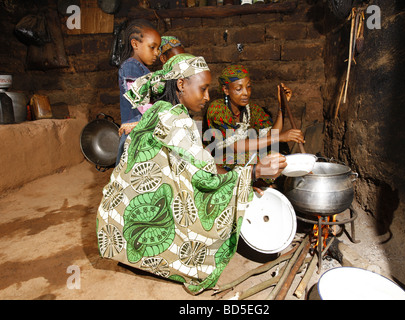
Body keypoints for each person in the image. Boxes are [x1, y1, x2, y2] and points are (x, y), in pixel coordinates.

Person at [96, 53, 287, 294]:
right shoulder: (176, 120)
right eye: (203, 89)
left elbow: (196, 163)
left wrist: (244, 180)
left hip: (119, 218)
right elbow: (204, 179)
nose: (207, 97)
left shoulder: (162, 110)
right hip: (140, 219)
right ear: (181, 84)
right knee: (205, 230)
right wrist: (251, 174)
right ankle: (155, 257)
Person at [205, 64, 305, 187]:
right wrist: (278, 138)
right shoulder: (217, 109)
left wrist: (281, 107)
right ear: (226, 90)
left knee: (276, 152)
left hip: (243, 156)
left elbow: (271, 134)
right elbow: (236, 146)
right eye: (239, 89)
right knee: (248, 156)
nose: (246, 93)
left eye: (248, 87)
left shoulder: (251, 109)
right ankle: (254, 184)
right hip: (219, 161)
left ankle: (265, 185)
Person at [116, 19, 161, 166]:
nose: (157, 53)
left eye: (158, 48)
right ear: (135, 44)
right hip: (135, 133)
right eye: (152, 47)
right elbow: (142, 104)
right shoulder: (131, 67)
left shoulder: (141, 68)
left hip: (143, 129)